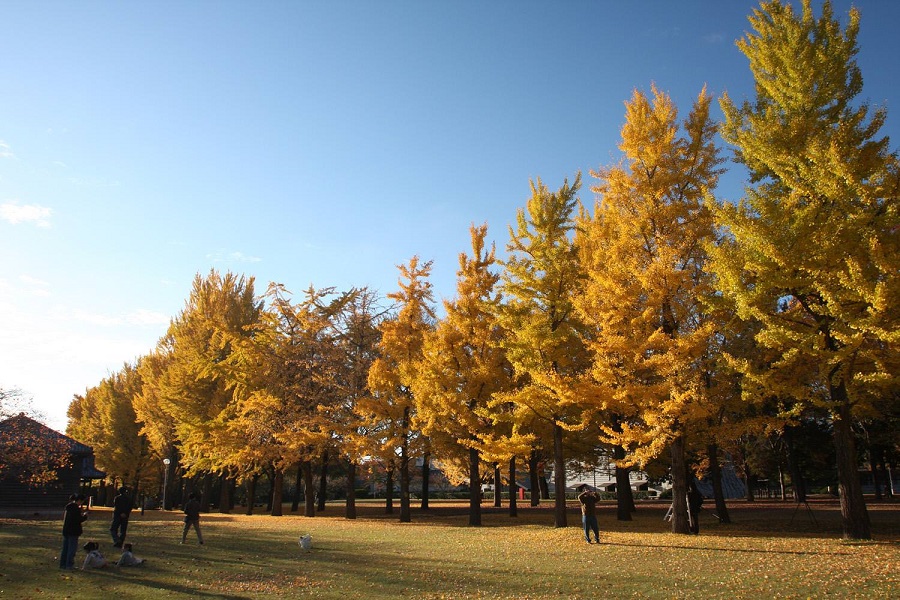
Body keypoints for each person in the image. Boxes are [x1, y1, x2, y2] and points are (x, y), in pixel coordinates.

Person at [60, 494, 88, 569]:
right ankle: (69, 564)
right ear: (79, 500)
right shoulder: (75, 509)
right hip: (73, 531)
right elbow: (77, 520)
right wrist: (85, 516)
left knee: (65, 548)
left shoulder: (68, 507)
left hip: (66, 530)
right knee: (72, 549)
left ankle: (63, 564)